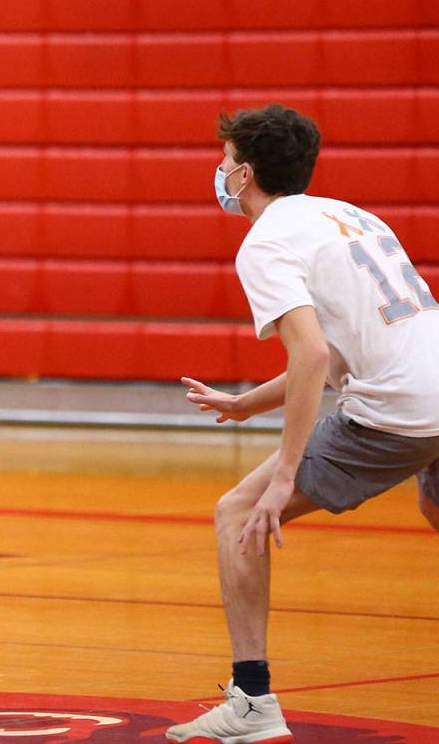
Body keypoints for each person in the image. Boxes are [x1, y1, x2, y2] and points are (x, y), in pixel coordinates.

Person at [166, 104, 439, 743]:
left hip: (400, 410)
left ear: (244, 175)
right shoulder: (349, 215)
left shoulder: (265, 241)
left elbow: (313, 354)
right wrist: (244, 405)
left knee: (240, 513)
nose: (220, 170)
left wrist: (284, 473)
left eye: (226, 161)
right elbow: (348, 350)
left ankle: (253, 704)